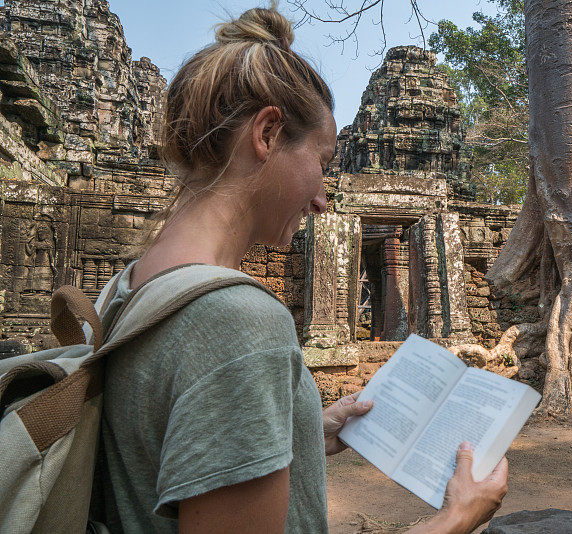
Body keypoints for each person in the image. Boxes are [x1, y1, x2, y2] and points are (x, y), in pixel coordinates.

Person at [96, 5, 508, 533]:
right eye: (324, 163)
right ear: (267, 134)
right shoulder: (239, 322)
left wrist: (302, 429)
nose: (321, 198)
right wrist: (454, 519)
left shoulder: (128, 288)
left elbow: (162, 445)